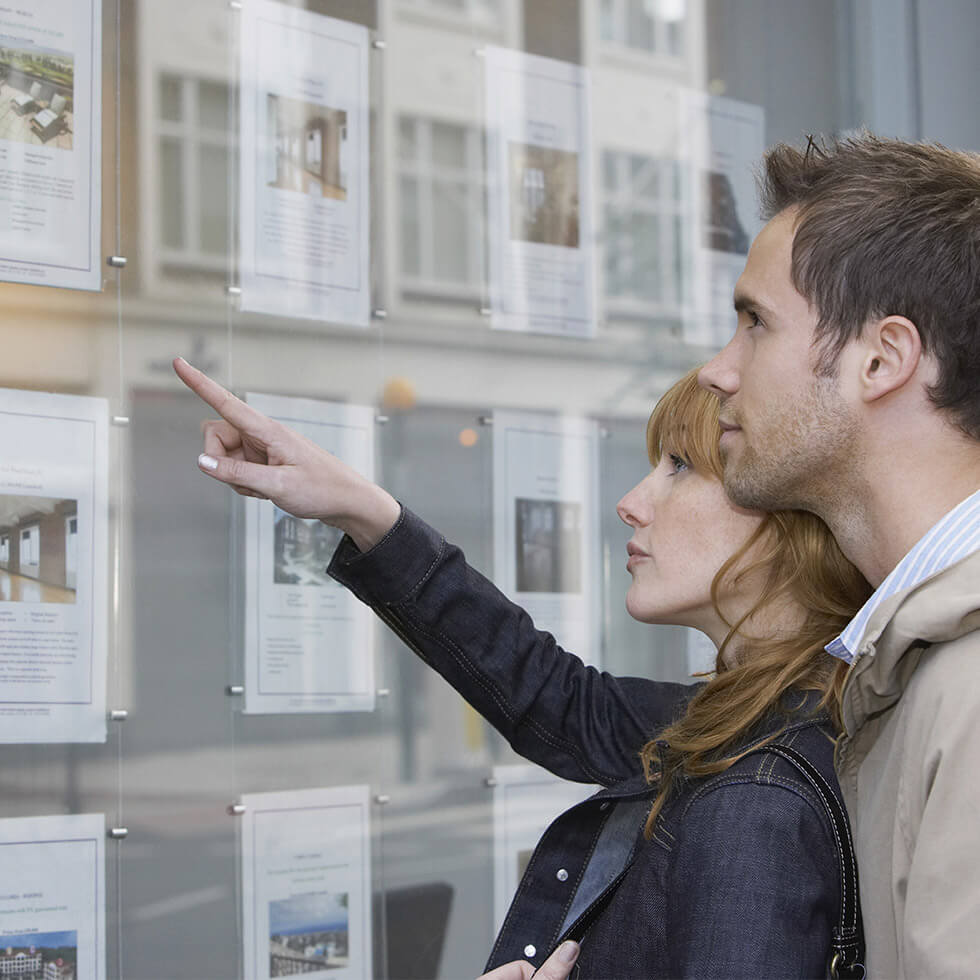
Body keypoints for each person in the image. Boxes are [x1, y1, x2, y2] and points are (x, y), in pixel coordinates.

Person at [175, 355, 870, 978]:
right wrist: (361, 509)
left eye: (680, 467)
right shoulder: (752, 723)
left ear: (789, 519)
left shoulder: (757, 792)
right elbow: (555, 698)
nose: (632, 504)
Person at [697, 133, 980, 978]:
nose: (717, 370)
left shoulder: (967, 687)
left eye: (755, 323)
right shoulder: (917, 657)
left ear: (882, 359)